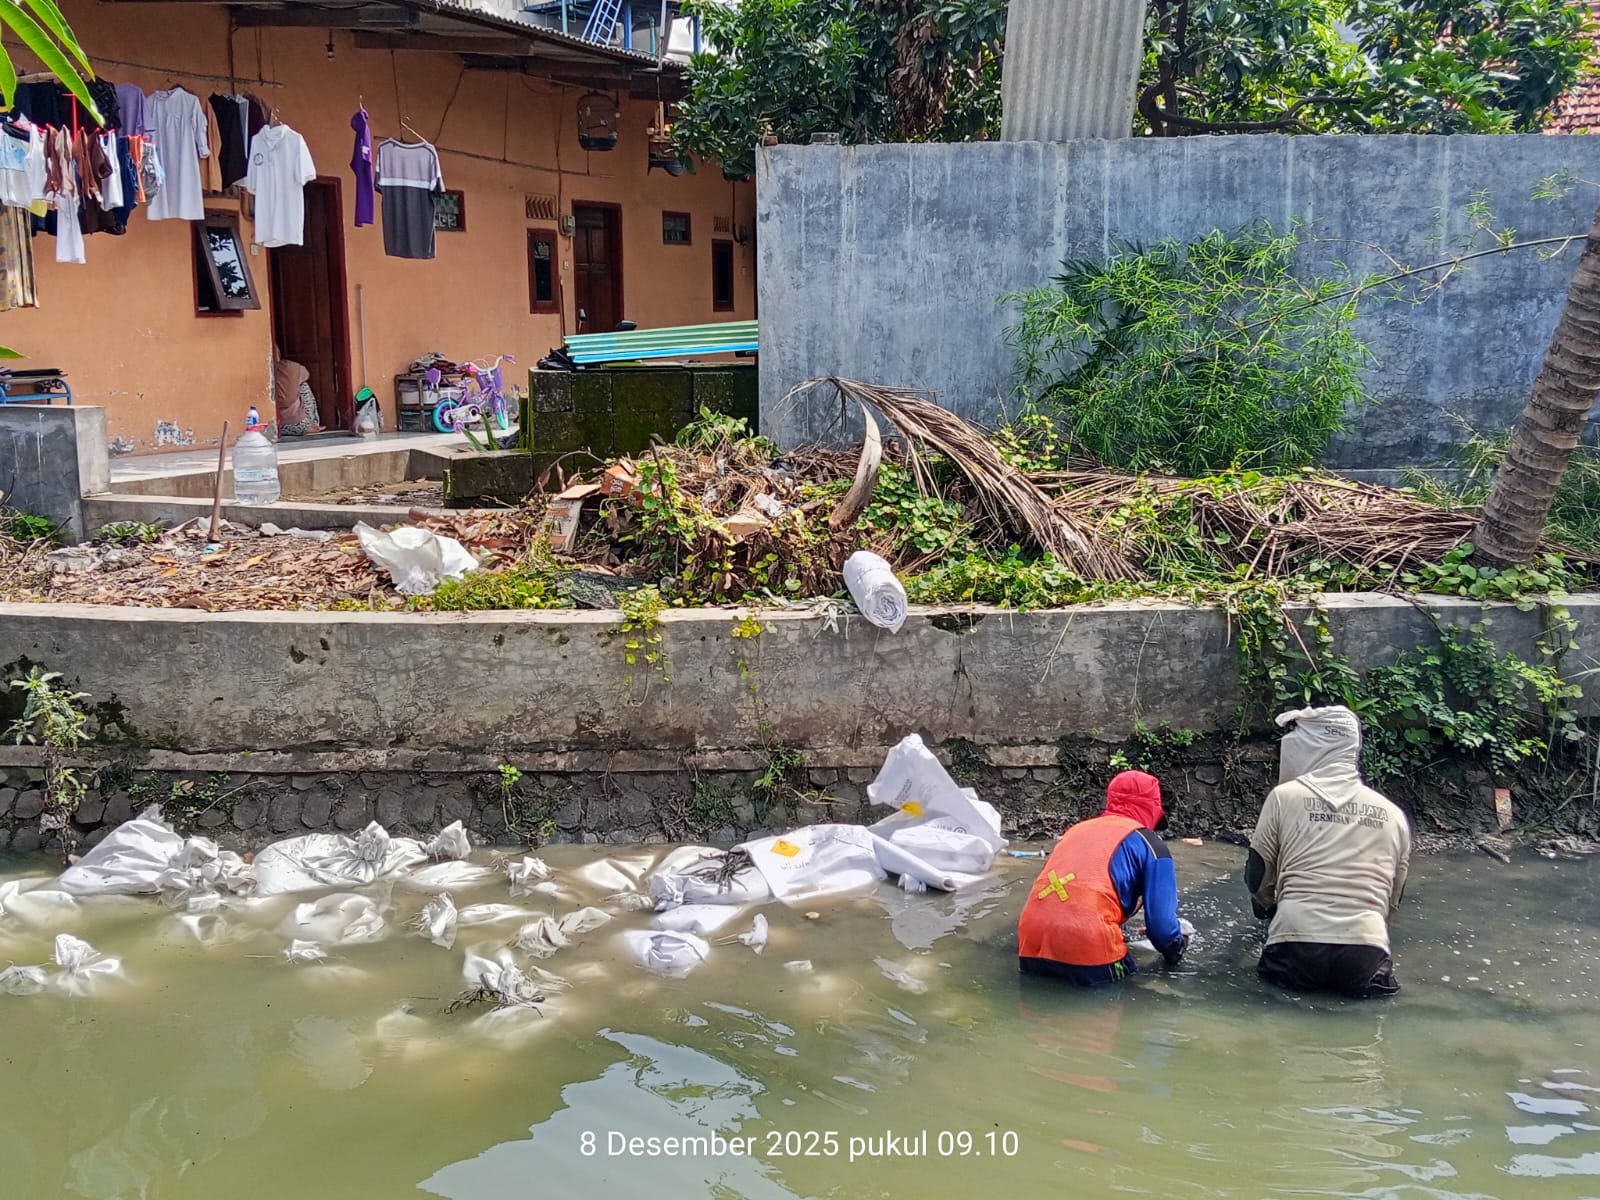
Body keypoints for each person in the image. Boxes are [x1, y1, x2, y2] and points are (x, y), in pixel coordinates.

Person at [1248, 705, 1411, 999]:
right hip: (1367, 948)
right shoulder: (1392, 814)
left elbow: (1258, 874)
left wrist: (1267, 908)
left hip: (1295, 941)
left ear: (1313, 744)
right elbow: (1394, 897)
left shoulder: (1284, 797)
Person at [1018, 769, 1189, 985]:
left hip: (1030, 943)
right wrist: (1178, 947)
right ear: (1153, 809)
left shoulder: (1075, 831)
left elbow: (1078, 893)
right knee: (1131, 998)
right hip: (1089, 945)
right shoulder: (1151, 845)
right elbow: (1162, 929)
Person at [273, 356, 324, 437]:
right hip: (300, 425)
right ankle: (312, 424)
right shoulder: (291, 367)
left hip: (276, 426)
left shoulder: (264, 372)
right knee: (303, 385)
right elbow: (306, 375)